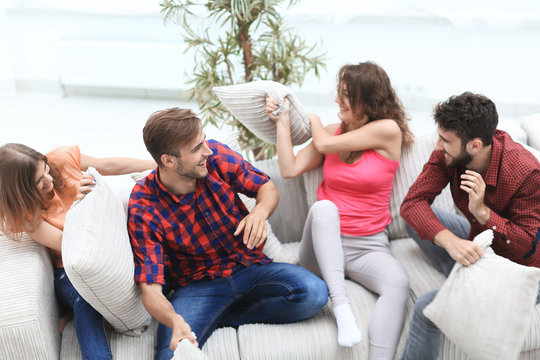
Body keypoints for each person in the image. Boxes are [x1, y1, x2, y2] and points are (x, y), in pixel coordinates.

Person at [127, 107, 328, 359]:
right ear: (168, 160)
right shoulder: (144, 204)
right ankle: (210, 314)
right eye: (196, 148)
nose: (207, 151)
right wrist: (175, 319)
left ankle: (219, 316)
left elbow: (266, 187)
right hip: (196, 286)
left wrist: (259, 213)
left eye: (204, 141)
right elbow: (150, 290)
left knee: (314, 293)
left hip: (249, 267)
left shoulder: (216, 156)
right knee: (170, 355)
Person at [266, 61, 413, 358]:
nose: (337, 100)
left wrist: (314, 122)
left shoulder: (387, 130)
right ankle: (342, 307)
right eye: (338, 93)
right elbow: (289, 168)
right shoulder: (333, 132)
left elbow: (322, 142)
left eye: (345, 94)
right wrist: (281, 123)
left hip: (368, 248)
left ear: (367, 99)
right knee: (324, 209)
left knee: (399, 283)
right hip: (321, 247)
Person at [400, 92, 540, 360]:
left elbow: (525, 246)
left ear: (475, 145)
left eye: (446, 140)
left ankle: (464, 281)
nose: (439, 146)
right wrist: (451, 242)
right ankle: (463, 272)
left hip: (520, 267)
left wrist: (484, 213)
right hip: (480, 242)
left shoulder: (526, 173)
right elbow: (412, 203)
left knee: (425, 309)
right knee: (417, 223)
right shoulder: (448, 155)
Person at [0, 143, 155, 360]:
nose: (49, 180)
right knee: (84, 299)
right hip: (68, 271)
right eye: (39, 181)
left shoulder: (61, 160)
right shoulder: (28, 215)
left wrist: (156, 164)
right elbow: (68, 243)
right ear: (21, 191)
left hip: (110, 245)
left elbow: (108, 165)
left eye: (44, 169)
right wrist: (82, 205)